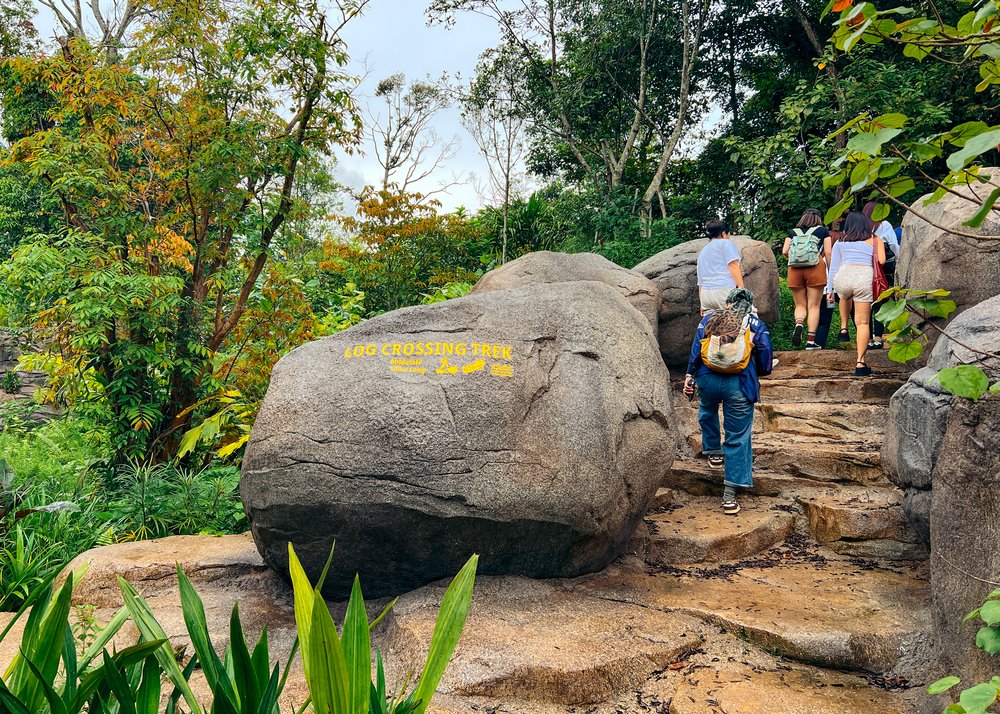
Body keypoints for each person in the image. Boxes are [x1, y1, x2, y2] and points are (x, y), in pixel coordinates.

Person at [683, 288, 773, 515]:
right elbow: (765, 358)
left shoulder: (710, 319)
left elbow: (697, 349)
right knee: (737, 437)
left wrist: (690, 376)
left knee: (707, 409)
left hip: (708, 380)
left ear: (728, 303)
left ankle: (713, 450)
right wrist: (756, 370)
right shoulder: (754, 323)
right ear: (750, 304)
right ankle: (729, 497)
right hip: (739, 384)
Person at [825, 211, 886, 376]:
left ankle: (843, 327)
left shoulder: (840, 242)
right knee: (863, 323)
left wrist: (829, 290)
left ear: (848, 226)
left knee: (845, 295)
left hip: (843, 277)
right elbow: (882, 261)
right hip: (863, 278)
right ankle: (860, 363)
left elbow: (834, 268)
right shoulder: (874, 240)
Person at [782, 208, 833, 350]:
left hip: (795, 269)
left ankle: (799, 323)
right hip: (815, 267)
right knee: (814, 306)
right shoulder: (823, 231)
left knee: (800, 305)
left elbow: (785, 251)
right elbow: (828, 252)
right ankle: (811, 341)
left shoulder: (792, 232)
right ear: (818, 218)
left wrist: (796, 259)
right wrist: (831, 271)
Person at [861, 201, 901, 350]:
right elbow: (893, 245)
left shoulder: (860, 226)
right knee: (879, 301)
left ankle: (867, 338)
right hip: (881, 270)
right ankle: (878, 337)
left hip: (862, 269)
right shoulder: (884, 225)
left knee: (864, 304)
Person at [697, 220, 744, 314]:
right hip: (724, 291)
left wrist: (702, 305)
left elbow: (700, 281)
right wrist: (741, 288)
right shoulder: (725, 243)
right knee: (742, 320)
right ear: (723, 233)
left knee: (714, 326)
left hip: (706, 296)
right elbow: (733, 265)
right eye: (728, 235)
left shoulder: (703, 251)